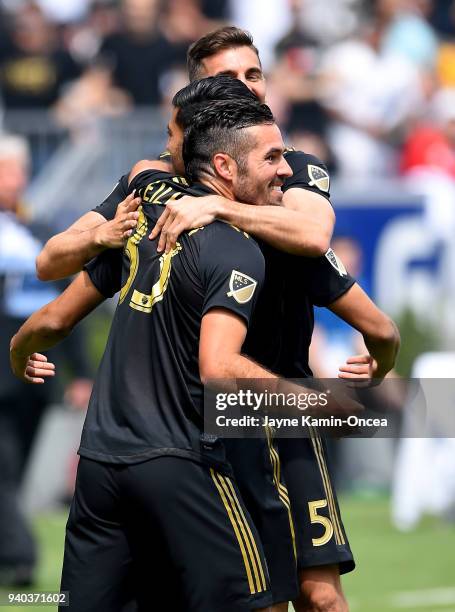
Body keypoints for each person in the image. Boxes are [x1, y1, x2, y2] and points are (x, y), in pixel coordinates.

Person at [34, 27, 401, 612]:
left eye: (254, 75)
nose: (246, 88)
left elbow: (316, 236)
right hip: (188, 428)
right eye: (227, 79)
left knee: (318, 595)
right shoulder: (150, 183)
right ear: (194, 91)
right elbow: (56, 263)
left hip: (276, 411)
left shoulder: (286, 174)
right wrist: (91, 245)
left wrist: (218, 203)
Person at [12, 94, 297, 612]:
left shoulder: (142, 205)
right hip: (181, 462)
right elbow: (218, 366)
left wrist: (19, 346)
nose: (287, 170)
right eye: (273, 158)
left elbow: (52, 307)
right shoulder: (237, 248)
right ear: (225, 167)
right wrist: (323, 403)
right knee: (260, 601)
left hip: (100, 465)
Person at [0, 134, 92, 587]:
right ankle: (20, 558)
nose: (14, 180)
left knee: (13, 470)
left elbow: (66, 307)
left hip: (35, 375)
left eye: (18, 170)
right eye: (5, 171)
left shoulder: (39, 233)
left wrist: (82, 373)